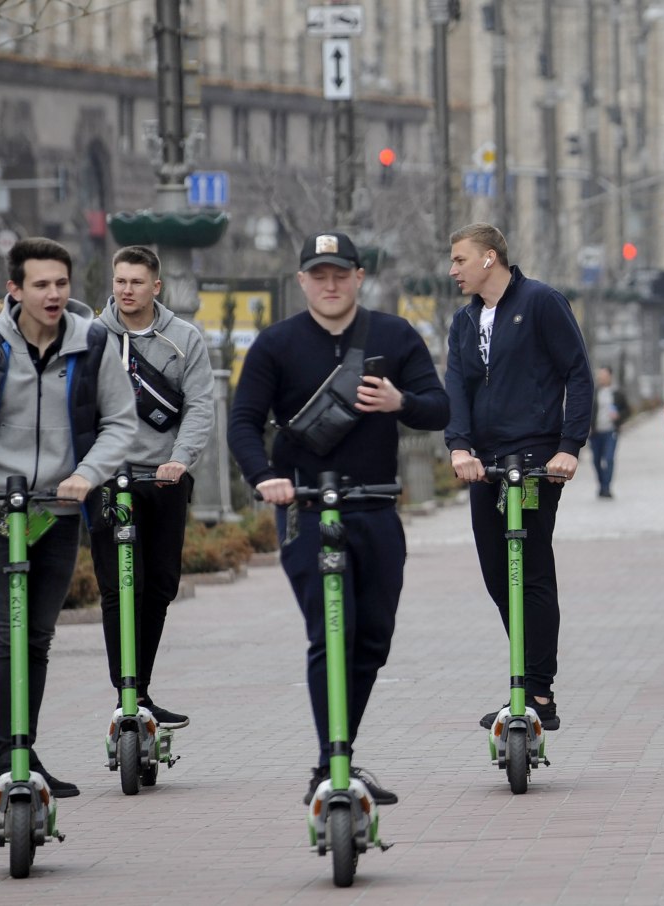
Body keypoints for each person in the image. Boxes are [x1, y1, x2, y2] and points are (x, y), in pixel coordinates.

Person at [228, 231, 449, 805]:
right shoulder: (276, 343)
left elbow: (441, 407)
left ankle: (337, 752)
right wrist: (263, 478)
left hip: (375, 506)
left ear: (358, 278)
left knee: (372, 638)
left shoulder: (395, 335)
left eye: (340, 274)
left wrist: (402, 403)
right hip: (305, 510)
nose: (330, 285)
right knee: (332, 631)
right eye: (318, 274)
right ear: (302, 280)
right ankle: (334, 764)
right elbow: (244, 422)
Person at [0, 237, 138, 798]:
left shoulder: (92, 344)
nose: (53, 294)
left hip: (58, 508)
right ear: (14, 289)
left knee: (36, 637)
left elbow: (121, 422)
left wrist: (87, 475)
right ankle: (8, 760)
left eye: (61, 284)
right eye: (40, 284)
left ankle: (26, 751)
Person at [444, 222, 592, 732]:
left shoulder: (542, 301)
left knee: (528, 569)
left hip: (533, 459)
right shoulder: (464, 321)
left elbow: (578, 372)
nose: (452, 270)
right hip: (483, 463)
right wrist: (459, 445)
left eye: (460, 259)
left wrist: (569, 447)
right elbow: (456, 388)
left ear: (489, 259)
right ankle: (522, 679)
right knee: (495, 572)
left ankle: (538, 690)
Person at [88, 246, 215, 729]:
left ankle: (140, 690)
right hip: (107, 481)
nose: (126, 290)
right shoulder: (93, 337)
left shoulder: (184, 339)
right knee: (120, 588)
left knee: (159, 585)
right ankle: (127, 696)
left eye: (136, 282)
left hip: (163, 479)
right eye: (120, 281)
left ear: (155, 286)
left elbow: (201, 406)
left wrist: (179, 460)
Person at [589, 365, 629, 498]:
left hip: (611, 432)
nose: (602, 378)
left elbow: (627, 410)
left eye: (604, 375)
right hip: (595, 433)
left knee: (609, 459)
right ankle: (601, 485)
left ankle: (607, 487)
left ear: (610, 376)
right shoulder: (594, 393)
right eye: (600, 376)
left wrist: (619, 416)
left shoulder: (617, 393)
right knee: (596, 460)